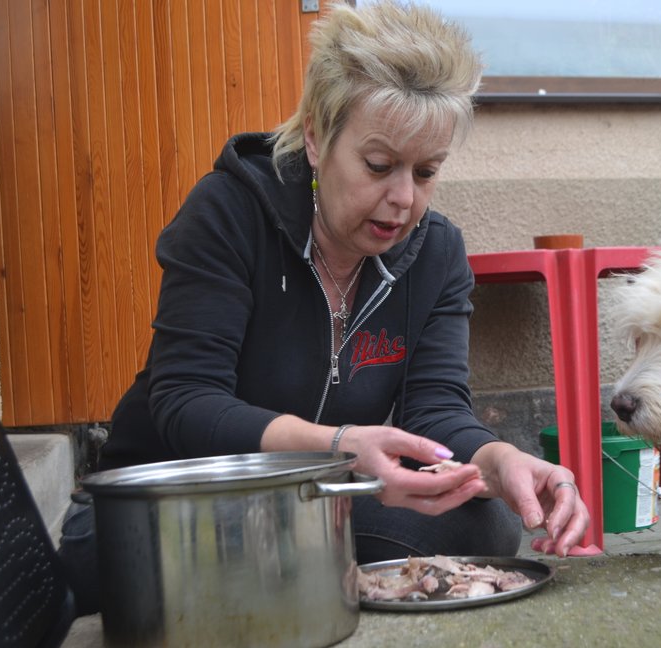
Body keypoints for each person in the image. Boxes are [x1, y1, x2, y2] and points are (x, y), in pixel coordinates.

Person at [58, 0, 592, 616]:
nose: (402, 199)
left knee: (483, 523)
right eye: (378, 165)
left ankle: (294, 583)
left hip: (313, 501)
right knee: (122, 560)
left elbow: (436, 411)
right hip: (173, 500)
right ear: (315, 137)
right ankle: (301, 584)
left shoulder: (437, 252)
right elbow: (186, 401)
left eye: (426, 172)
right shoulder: (228, 213)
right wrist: (336, 446)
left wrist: (498, 461)